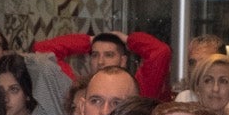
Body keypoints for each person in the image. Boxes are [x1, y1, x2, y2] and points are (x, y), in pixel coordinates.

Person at [33, 29, 171, 101]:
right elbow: (41, 50)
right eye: (95, 55)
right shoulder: (76, 90)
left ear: (123, 61)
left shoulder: (138, 92)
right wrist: (89, 40)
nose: (100, 62)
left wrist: (128, 40)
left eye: (109, 55)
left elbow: (160, 52)